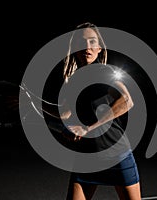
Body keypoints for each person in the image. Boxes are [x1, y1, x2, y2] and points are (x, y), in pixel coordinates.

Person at [43, 22, 141, 200]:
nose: (87, 47)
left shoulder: (103, 72)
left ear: (99, 47)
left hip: (116, 154)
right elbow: (64, 113)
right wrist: (30, 101)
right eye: (82, 42)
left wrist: (87, 128)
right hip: (86, 157)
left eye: (92, 41)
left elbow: (127, 100)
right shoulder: (74, 80)